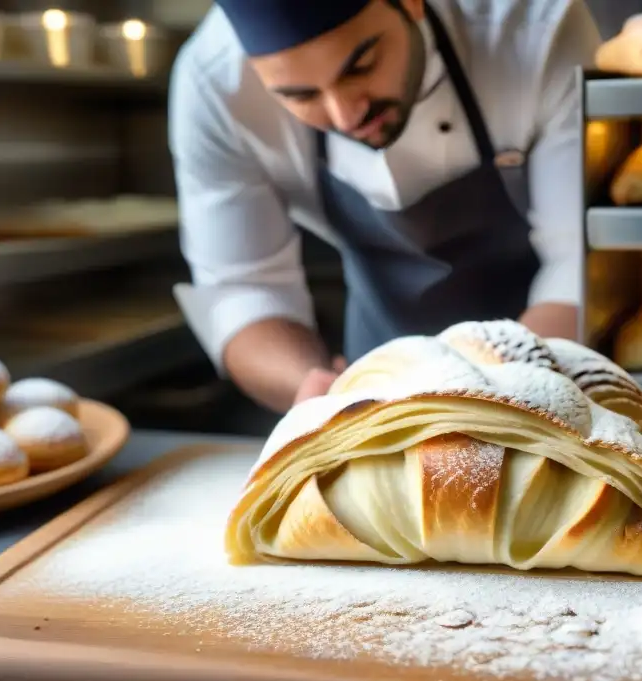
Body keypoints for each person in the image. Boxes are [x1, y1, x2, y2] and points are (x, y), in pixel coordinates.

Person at [168, 0, 601, 412]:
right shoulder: (213, 83)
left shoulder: (535, 29)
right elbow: (243, 289)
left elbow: (577, 261)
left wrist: (498, 400)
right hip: (375, 369)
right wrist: (315, 389)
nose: (344, 115)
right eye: (301, 96)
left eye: (362, 64)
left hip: (550, 361)